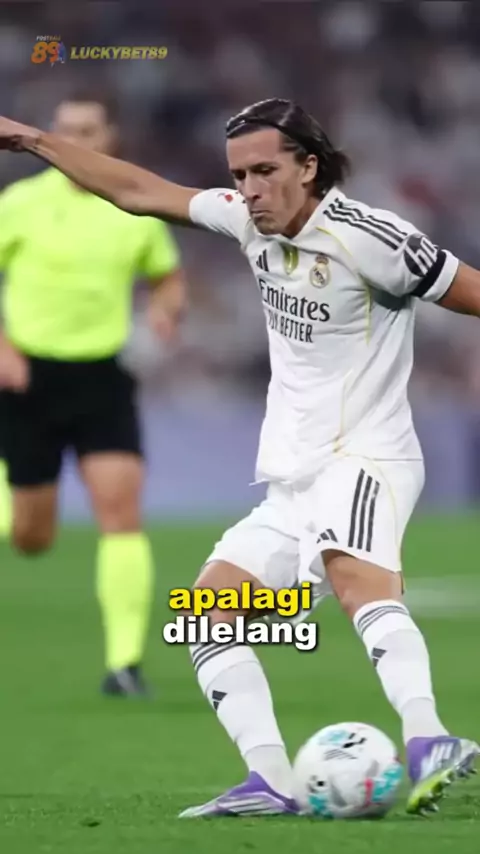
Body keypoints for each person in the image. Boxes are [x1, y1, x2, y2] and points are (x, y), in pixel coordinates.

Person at [0, 97, 477, 816]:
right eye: (239, 175)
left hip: (366, 457)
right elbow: (137, 190)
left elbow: (472, 291)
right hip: (293, 477)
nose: (249, 190)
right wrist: (33, 141)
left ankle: (429, 739)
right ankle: (273, 781)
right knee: (208, 618)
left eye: (264, 172)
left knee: (358, 585)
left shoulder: (372, 237)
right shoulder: (244, 221)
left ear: (308, 167)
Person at [0, 91, 188, 697]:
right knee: (32, 537)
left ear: (110, 139)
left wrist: (166, 307)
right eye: (64, 129)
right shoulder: (20, 204)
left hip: (102, 378)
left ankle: (124, 665)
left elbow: (166, 274)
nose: (73, 140)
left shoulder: (134, 205)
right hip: (28, 377)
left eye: (87, 130)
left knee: (121, 512)